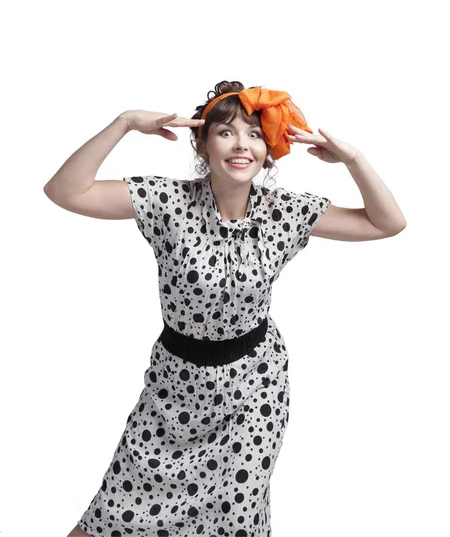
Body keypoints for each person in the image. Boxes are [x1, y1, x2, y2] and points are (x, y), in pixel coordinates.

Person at [44, 80, 407, 537]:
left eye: (255, 134)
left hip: (253, 391)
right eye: (227, 132)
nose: (242, 145)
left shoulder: (285, 212)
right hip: (173, 390)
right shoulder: (167, 202)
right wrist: (124, 124)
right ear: (203, 143)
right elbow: (65, 191)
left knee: (234, 524)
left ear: (269, 149)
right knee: (115, 514)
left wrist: (353, 159)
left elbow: (388, 223)